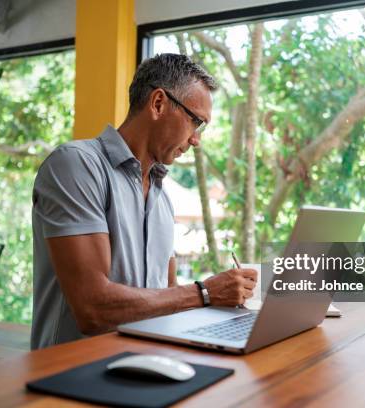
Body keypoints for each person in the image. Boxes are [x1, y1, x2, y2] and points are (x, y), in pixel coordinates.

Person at [31, 53, 257, 349]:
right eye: (196, 122)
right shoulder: (76, 166)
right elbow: (92, 309)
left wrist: (225, 305)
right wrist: (205, 292)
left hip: (146, 365)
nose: (196, 140)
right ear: (159, 103)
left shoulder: (162, 198)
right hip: (69, 377)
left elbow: (169, 294)